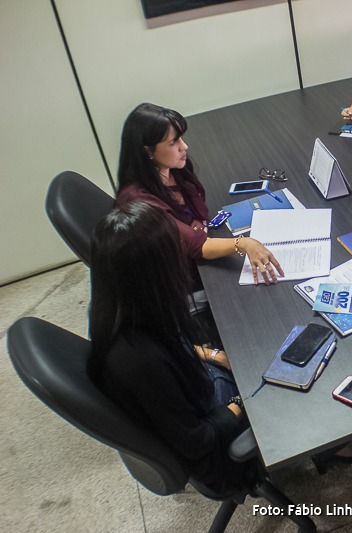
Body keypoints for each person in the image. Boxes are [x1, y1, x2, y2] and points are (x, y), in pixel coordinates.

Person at [88, 202, 252, 489]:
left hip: (199, 383)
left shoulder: (121, 305)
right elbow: (197, 441)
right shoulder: (140, 360)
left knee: (253, 348)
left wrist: (213, 355)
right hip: (218, 450)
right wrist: (244, 400)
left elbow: (176, 346)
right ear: (152, 272)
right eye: (173, 251)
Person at [116, 103, 283, 286]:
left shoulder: (171, 168)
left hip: (200, 245)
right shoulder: (141, 204)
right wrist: (244, 244)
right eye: (174, 143)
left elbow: (199, 209)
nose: (184, 146)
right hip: (177, 276)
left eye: (181, 138)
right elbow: (197, 247)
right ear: (148, 152)